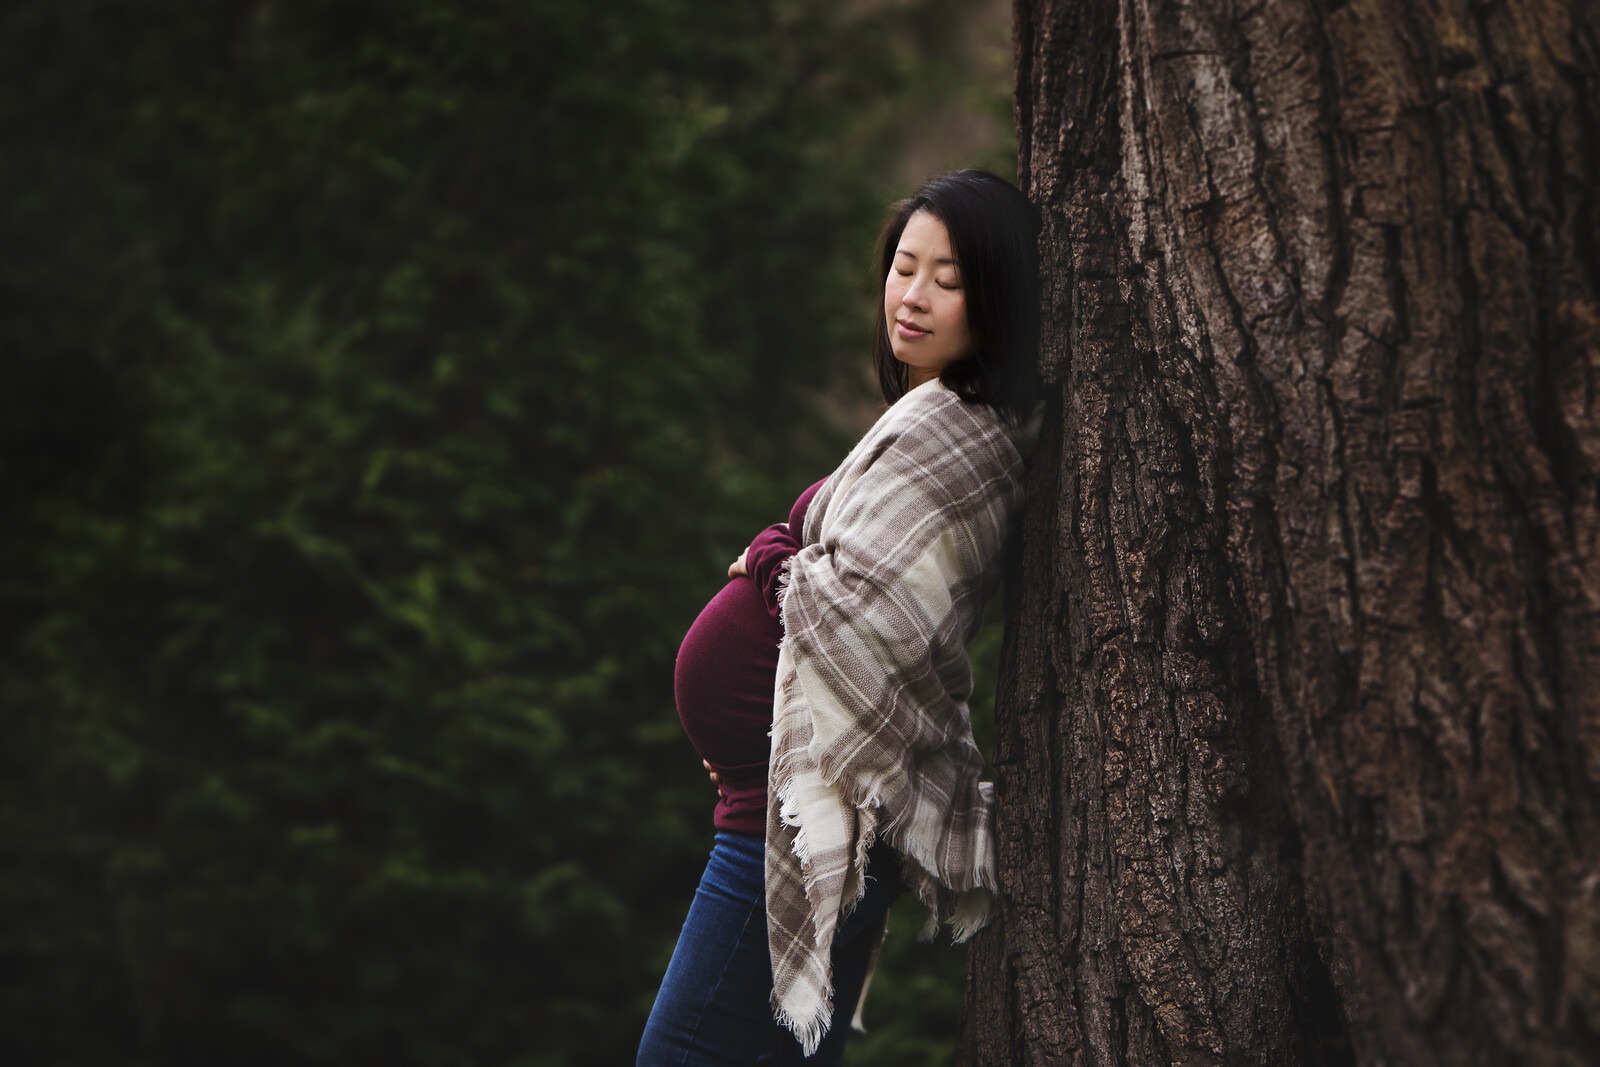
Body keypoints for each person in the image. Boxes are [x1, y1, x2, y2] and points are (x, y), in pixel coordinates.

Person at [638, 169, 1042, 1065]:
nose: (915, 295)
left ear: (1000, 297)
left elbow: (867, 615)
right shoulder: (940, 415)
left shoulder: (960, 430)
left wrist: (771, 555)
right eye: (906, 266)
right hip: (789, 797)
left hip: (798, 816)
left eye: (951, 277)